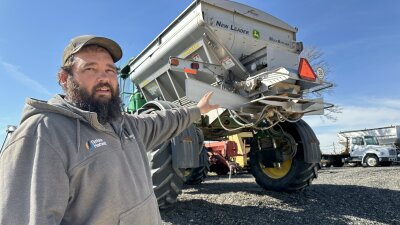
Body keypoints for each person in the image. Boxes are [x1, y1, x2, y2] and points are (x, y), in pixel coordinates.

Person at [0, 35, 219, 225]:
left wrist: (198, 110)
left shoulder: (125, 125)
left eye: (110, 70)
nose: (104, 78)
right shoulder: (43, 134)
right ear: (64, 79)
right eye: (90, 68)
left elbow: (166, 120)